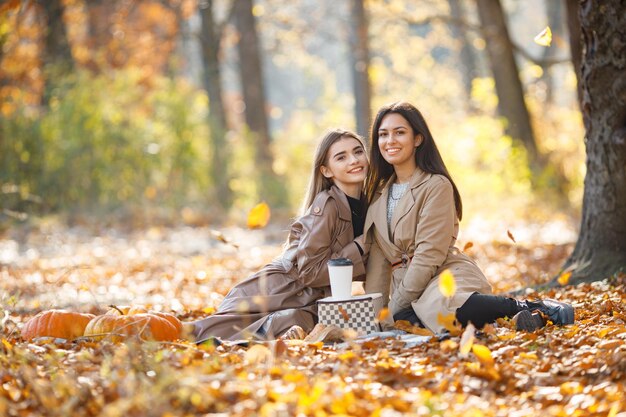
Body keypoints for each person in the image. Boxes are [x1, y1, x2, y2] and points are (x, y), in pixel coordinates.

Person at [363, 101, 574, 333]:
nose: (390, 140)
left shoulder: (436, 185)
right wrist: (376, 318)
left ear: (418, 139)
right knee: (407, 320)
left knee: (437, 308)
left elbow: (428, 255)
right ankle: (514, 321)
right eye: (383, 134)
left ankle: (527, 306)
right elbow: (378, 263)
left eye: (399, 132)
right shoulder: (377, 196)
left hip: (443, 275)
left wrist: (394, 307)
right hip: (408, 286)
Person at [189, 129, 369, 342]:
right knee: (196, 333)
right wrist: (358, 249)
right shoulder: (327, 205)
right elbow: (310, 272)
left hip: (305, 300)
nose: (354, 160)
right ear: (327, 171)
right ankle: (143, 328)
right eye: (341, 157)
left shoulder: (367, 203)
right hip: (276, 290)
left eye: (358, 152)